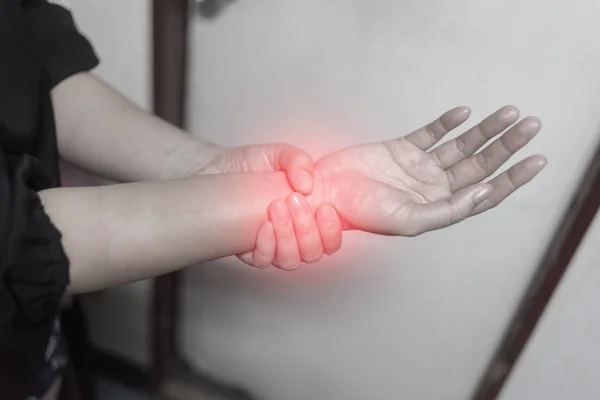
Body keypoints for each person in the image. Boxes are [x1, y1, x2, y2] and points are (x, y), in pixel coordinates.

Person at [0, 1, 547, 399]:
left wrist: (203, 166)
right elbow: (13, 243)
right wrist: (262, 201)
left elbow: (30, 55)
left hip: (37, 329)